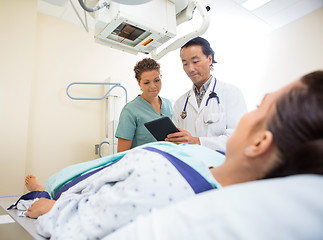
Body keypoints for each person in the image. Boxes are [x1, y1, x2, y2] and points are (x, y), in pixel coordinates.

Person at [19, 70, 323, 239]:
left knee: (56, 187)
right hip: (139, 160)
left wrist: (52, 208)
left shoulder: (160, 183)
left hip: (91, 186)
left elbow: (82, 220)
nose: (154, 86)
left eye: (259, 107)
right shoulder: (214, 160)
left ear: (259, 144)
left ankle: (41, 190)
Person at [166, 37, 247, 152]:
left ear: (209, 59)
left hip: (221, 165)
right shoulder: (180, 103)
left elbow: (240, 139)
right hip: (191, 165)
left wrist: (198, 142)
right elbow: (177, 141)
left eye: (195, 62)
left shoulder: (230, 92)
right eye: (185, 63)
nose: (190, 69)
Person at [115, 58, 173, 152]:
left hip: (167, 161)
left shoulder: (168, 105)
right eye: (147, 82)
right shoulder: (130, 110)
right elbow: (122, 153)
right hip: (141, 164)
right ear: (139, 83)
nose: (153, 86)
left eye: (156, 80)